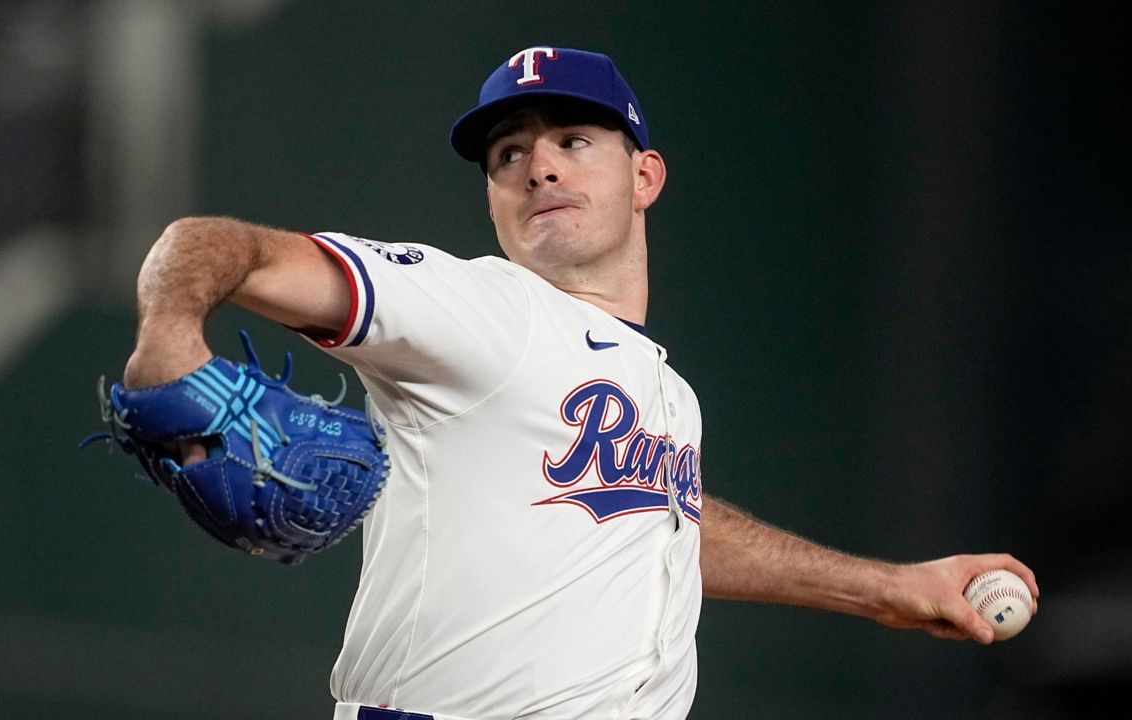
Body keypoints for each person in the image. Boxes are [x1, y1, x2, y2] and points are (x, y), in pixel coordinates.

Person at [120, 47, 1039, 720]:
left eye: (572, 138)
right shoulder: (479, 308)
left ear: (645, 175)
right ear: (491, 198)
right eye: (508, 155)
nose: (539, 165)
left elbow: (658, 530)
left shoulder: (666, 394)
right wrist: (168, 336)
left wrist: (889, 589)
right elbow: (213, 243)